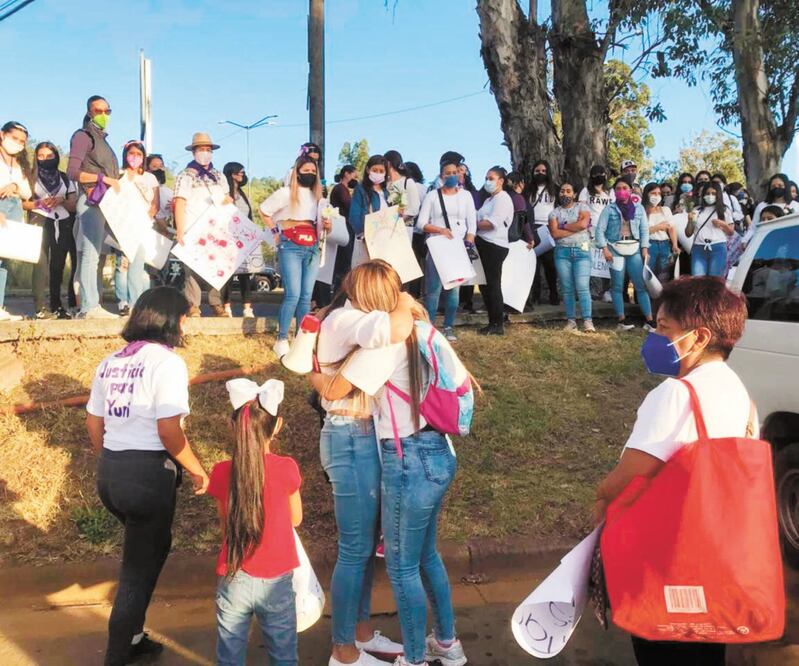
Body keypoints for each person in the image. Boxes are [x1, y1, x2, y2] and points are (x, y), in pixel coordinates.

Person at [593, 276, 754, 666]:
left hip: (667, 566)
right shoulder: (738, 391)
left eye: (664, 328)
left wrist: (599, 502)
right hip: (716, 562)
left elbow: (628, 478)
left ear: (698, 338)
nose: (654, 335)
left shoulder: (677, 394)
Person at [314, 272, 469, 666]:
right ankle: (447, 644)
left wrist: (314, 373)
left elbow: (335, 390)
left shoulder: (388, 344)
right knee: (426, 556)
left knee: (401, 570)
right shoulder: (427, 330)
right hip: (440, 453)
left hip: (407, 461)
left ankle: (414, 659)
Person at [86, 286, 209, 666]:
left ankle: (134, 633)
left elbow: (94, 422)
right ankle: (118, 653)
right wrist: (197, 469)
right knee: (137, 571)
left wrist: (112, 457)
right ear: (171, 320)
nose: (187, 325)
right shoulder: (167, 363)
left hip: (112, 473)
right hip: (147, 475)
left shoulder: (111, 361)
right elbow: (169, 431)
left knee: (152, 548)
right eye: (185, 317)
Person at [309, 261, 414, 666]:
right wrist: (404, 298)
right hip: (349, 436)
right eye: (388, 292)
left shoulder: (349, 317)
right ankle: (344, 651)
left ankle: (362, 634)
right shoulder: (349, 318)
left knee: (366, 546)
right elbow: (398, 327)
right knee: (354, 549)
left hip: (360, 434)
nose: (393, 300)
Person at [208, 377, 302, 666]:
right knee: (283, 655)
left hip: (235, 573)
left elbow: (226, 525)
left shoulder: (222, 472)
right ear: (278, 425)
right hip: (276, 579)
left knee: (230, 656)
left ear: (231, 425)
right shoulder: (287, 468)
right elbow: (296, 519)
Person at [259, 155, 331, 358]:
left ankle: (301, 339)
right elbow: (264, 210)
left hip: (313, 244)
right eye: (305, 170)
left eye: (313, 171)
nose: (309, 174)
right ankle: (282, 338)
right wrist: (275, 232)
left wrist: (327, 225)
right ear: (297, 172)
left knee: (306, 297)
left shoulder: (318, 198)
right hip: (290, 243)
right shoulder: (285, 193)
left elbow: (326, 226)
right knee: (293, 294)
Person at [67, 95, 122, 319]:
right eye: (98, 110)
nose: (103, 115)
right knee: (90, 256)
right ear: (89, 113)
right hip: (90, 201)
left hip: (104, 204)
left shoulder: (103, 141)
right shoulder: (83, 136)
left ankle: (91, 305)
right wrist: (104, 179)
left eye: (107, 111)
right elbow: (72, 171)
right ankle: (90, 306)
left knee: (94, 255)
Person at [417, 157, 477, 341]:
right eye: (447, 173)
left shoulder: (465, 196)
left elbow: (472, 223)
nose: (452, 176)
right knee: (433, 289)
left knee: (454, 289)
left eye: (455, 172)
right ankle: (430, 326)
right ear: (441, 176)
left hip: (457, 247)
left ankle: (449, 326)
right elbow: (421, 223)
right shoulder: (433, 196)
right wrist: (440, 230)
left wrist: (468, 241)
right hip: (437, 246)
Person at [172, 132, 232, 317]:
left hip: (216, 229)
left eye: (208, 150)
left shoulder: (218, 176)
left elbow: (227, 198)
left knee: (218, 266)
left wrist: (226, 202)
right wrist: (180, 230)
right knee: (192, 268)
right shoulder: (185, 176)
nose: (205, 153)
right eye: (201, 149)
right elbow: (179, 202)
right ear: (194, 152)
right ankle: (192, 304)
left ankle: (216, 302)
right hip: (193, 227)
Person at [22, 141, 78, 319]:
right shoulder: (30, 177)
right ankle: (39, 307)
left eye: (49, 156)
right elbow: (23, 202)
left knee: (58, 265)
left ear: (56, 156)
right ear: (36, 158)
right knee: (40, 264)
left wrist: (61, 200)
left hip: (62, 222)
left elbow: (73, 204)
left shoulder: (65, 178)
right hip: (39, 220)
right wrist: (38, 203)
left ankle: (57, 305)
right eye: (41, 156)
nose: (45, 159)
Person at [596, 177, 655, 331]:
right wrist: (605, 249)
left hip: (634, 247)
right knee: (617, 286)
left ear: (630, 190)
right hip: (615, 248)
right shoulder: (609, 209)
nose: (622, 191)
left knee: (640, 285)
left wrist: (644, 248)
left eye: (625, 188)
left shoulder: (639, 208)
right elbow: (600, 230)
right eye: (618, 188)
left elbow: (644, 230)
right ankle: (621, 320)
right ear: (614, 191)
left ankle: (649, 320)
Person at [114, 141, 160, 316]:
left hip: (142, 226)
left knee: (138, 264)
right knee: (122, 264)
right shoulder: (118, 175)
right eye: (131, 153)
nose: (135, 157)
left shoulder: (150, 178)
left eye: (139, 154)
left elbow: (155, 204)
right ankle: (122, 301)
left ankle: (136, 303)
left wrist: (145, 219)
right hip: (122, 226)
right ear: (125, 155)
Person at [549, 181, 595, 332]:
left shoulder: (582, 207)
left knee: (582, 286)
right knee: (567, 288)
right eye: (562, 191)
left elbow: (583, 225)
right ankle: (571, 321)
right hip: (562, 252)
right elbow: (555, 234)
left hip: (582, 251)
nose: (565, 194)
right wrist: (575, 227)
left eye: (568, 191)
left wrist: (563, 226)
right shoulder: (554, 213)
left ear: (574, 194)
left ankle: (588, 321)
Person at [476, 166, 514, 335]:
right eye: (486, 178)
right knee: (485, 285)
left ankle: (497, 323)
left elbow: (492, 223)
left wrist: (472, 225)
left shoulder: (503, 198)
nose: (487, 182)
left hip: (494, 245)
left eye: (491, 178)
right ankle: (493, 320)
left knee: (492, 284)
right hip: (484, 243)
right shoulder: (488, 200)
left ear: (501, 181)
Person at [0, 121, 32, 321]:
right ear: (2, 135)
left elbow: (27, 192)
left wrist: (14, 185)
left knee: (5, 260)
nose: (18, 144)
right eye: (14, 139)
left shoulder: (18, 164)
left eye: (22, 141)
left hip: (13, 208)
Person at [221, 162, 258, 318]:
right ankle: (226, 307)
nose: (242, 175)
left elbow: (249, 216)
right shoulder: (224, 194)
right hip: (228, 238)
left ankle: (247, 308)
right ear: (231, 174)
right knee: (227, 274)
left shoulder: (243, 195)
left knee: (245, 274)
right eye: (239, 172)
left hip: (244, 238)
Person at [579, 165, 615, 302]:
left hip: (607, 232)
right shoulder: (585, 191)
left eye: (602, 173)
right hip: (590, 232)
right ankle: (592, 292)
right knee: (591, 262)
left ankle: (606, 291)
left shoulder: (610, 192)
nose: (599, 176)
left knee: (606, 263)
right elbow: (581, 209)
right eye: (596, 174)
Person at [527, 160, 559, 307]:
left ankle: (554, 294)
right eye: (537, 171)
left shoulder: (555, 189)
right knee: (533, 265)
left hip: (548, 228)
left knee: (550, 265)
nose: (540, 173)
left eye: (543, 171)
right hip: (532, 228)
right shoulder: (528, 189)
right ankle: (535, 296)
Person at [349, 155, 389, 268]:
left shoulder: (387, 193)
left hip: (385, 242)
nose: (378, 173)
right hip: (367, 241)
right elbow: (354, 216)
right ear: (368, 170)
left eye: (381, 171)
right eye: (375, 170)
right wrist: (364, 234)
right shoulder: (361, 190)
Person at [689, 181, 734, 277]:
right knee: (697, 280)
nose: (710, 196)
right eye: (707, 193)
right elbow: (688, 233)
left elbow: (731, 232)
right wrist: (690, 221)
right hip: (699, 248)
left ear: (718, 195)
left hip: (718, 247)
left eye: (713, 193)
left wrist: (723, 224)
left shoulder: (724, 210)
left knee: (715, 281)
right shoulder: (697, 210)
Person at [642, 182, 679, 281]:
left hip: (665, 245)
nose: (656, 196)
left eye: (659, 193)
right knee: (649, 276)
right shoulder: (641, 211)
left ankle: (661, 296)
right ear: (646, 194)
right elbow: (641, 233)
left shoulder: (665, 210)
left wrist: (675, 244)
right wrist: (658, 227)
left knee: (664, 275)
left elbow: (671, 228)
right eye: (653, 193)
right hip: (649, 245)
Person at [384, 150, 421, 225]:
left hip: (403, 229)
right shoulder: (384, 184)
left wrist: (395, 223)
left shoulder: (407, 182)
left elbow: (414, 209)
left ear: (388, 163)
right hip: (384, 229)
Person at [146, 154, 173, 233]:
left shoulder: (169, 186)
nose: (159, 169)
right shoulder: (147, 189)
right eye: (154, 166)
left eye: (161, 166)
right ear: (147, 168)